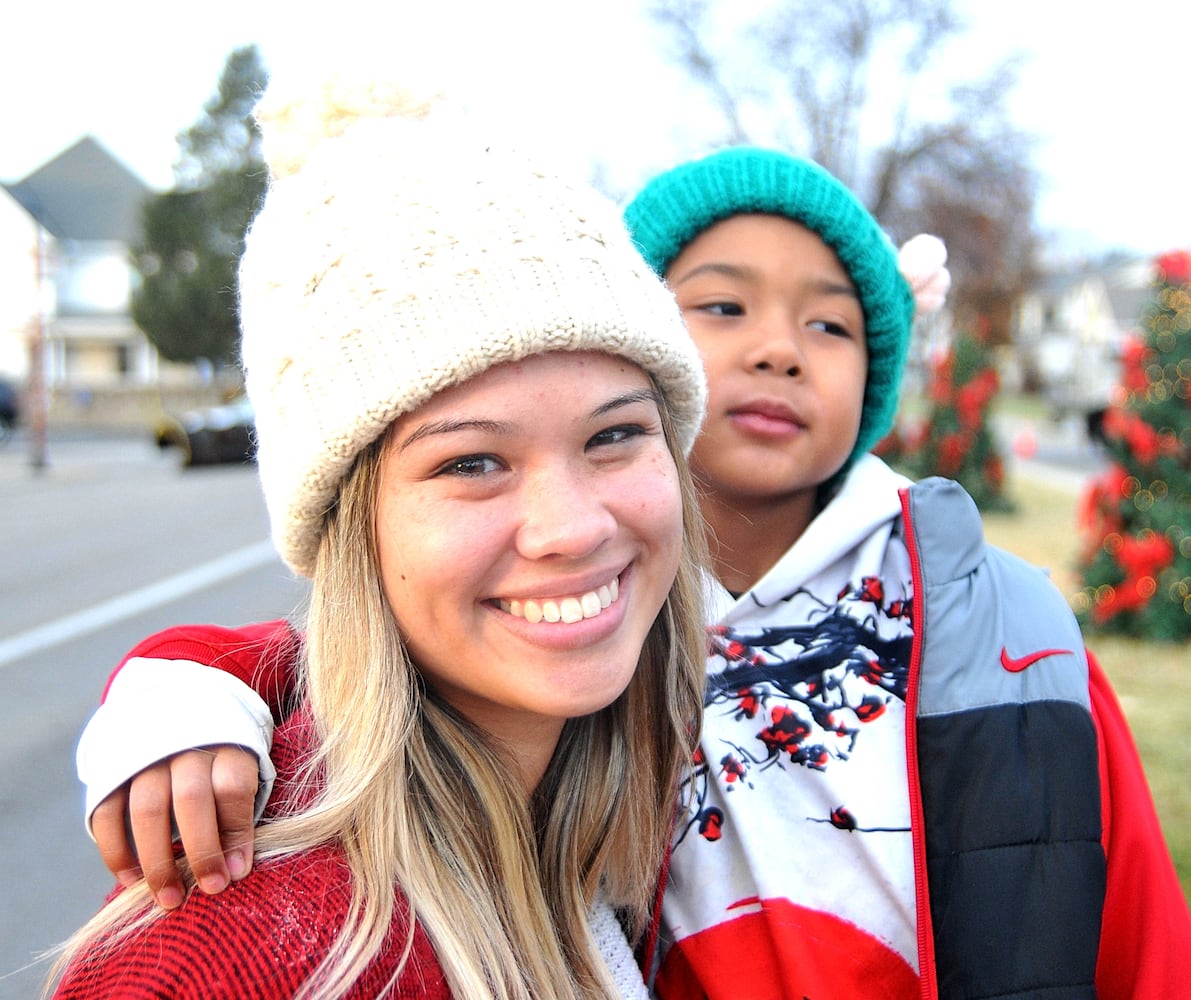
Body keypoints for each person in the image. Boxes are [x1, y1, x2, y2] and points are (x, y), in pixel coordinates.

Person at [76, 148, 1191, 998]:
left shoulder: (991, 628)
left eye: (611, 438)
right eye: (721, 305)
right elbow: (356, 662)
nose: (779, 348)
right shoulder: (254, 940)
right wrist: (189, 678)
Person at [48, 75, 714, 1000]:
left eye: (614, 435)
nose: (571, 527)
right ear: (348, 525)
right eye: (472, 462)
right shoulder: (229, 960)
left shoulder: (649, 809)